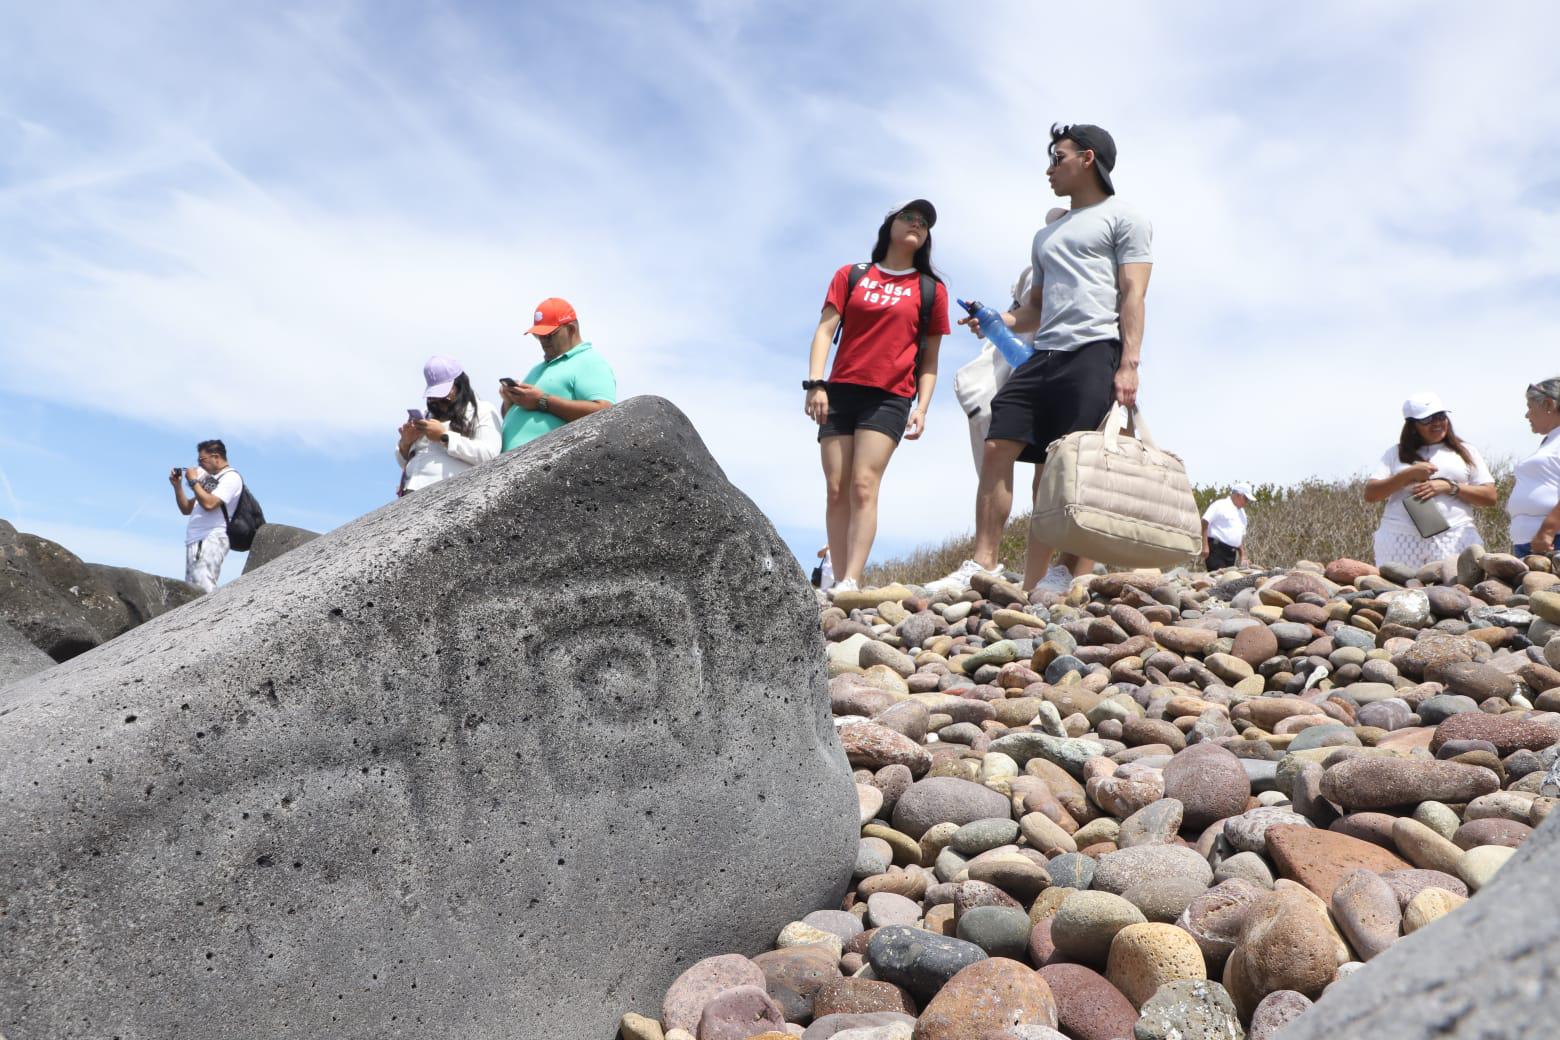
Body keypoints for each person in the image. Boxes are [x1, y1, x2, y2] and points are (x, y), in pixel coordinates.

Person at [927, 123, 1152, 599]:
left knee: (1070, 464)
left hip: (1094, 348)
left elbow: (1134, 293)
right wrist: (997, 319)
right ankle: (982, 562)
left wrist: (1129, 362)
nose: (1049, 167)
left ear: (1087, 159)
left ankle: (1065, 572)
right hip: (1044, 352)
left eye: (1058, 156)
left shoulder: (1125, 218)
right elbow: (1035, 307)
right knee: (997, 443)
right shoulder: (1046, 235)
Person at [804, 199, 950, 595]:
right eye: (909, 217)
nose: (917, 225)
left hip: (890, 396)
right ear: (890, 226)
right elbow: (823, 331)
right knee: (836, 487)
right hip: (840, 391)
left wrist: (922, 406)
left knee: (863, 484)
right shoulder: (851, 275)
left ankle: (852, 579)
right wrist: (815, 383)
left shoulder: (930, 290)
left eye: (924, 223)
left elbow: (931, 359)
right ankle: (834, 577)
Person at [1363, 392, 1497, 568]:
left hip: (1455, 535)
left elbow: (1490, 496)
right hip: (1400, 537)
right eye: (1427, 419)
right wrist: (1407, 474)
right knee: (1399, 593)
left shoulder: (1465, 451)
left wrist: (1450, 487)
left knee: (1455, 593)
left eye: (1440, 416)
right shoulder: (1395, 453)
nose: (1437, 423)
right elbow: (1371, 494)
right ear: (1412, 425)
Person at [499, 297, 616, 451]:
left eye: (549, 335)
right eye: (538, 335)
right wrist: (510, 401)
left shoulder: (589, 361)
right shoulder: (537, 369)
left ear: (571, 329)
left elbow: (605, 413)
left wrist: (542, 401)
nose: (542, 341)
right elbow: (516, 417)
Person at [396, 356, 502, 494]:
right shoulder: (425, 414)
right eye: (434, 398)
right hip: (411, 492)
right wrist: (406, 443)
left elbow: (490, 455)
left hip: (451, 494)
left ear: (460, 385)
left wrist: (444, 437)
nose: (439, 403)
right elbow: (403, 462)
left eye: (445, 397)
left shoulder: (483, 410)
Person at [168, 439, 242, 592]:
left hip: (211, 538)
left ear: (216, 457)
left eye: (202, 460)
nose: (200, 464)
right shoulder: (213, 481)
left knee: (203, 587)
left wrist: (194, 481)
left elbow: (209, 504)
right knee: (194, 588)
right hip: (198, 540)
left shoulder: (231, 477)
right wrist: (178, 487)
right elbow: (187, 509)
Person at [1509, 377, 1560, 557]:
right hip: (1534, 542)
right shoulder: (1551, 441)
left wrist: (1548, 530)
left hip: (1552, 541)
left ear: (1548, 405)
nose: (1527, 415)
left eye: (1530, 407)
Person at [1202, 483, 1254, 570]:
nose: (1246, 502)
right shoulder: (1220, 505)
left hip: (1231, 553)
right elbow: (1204, 522)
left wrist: (1242, 554)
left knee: (1228, 579)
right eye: (1245, 498)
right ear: (1238, 495)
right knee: (1218, 578)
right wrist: (1205, 545)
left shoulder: (1242, 513)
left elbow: (1238, 536)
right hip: (1216, 549)